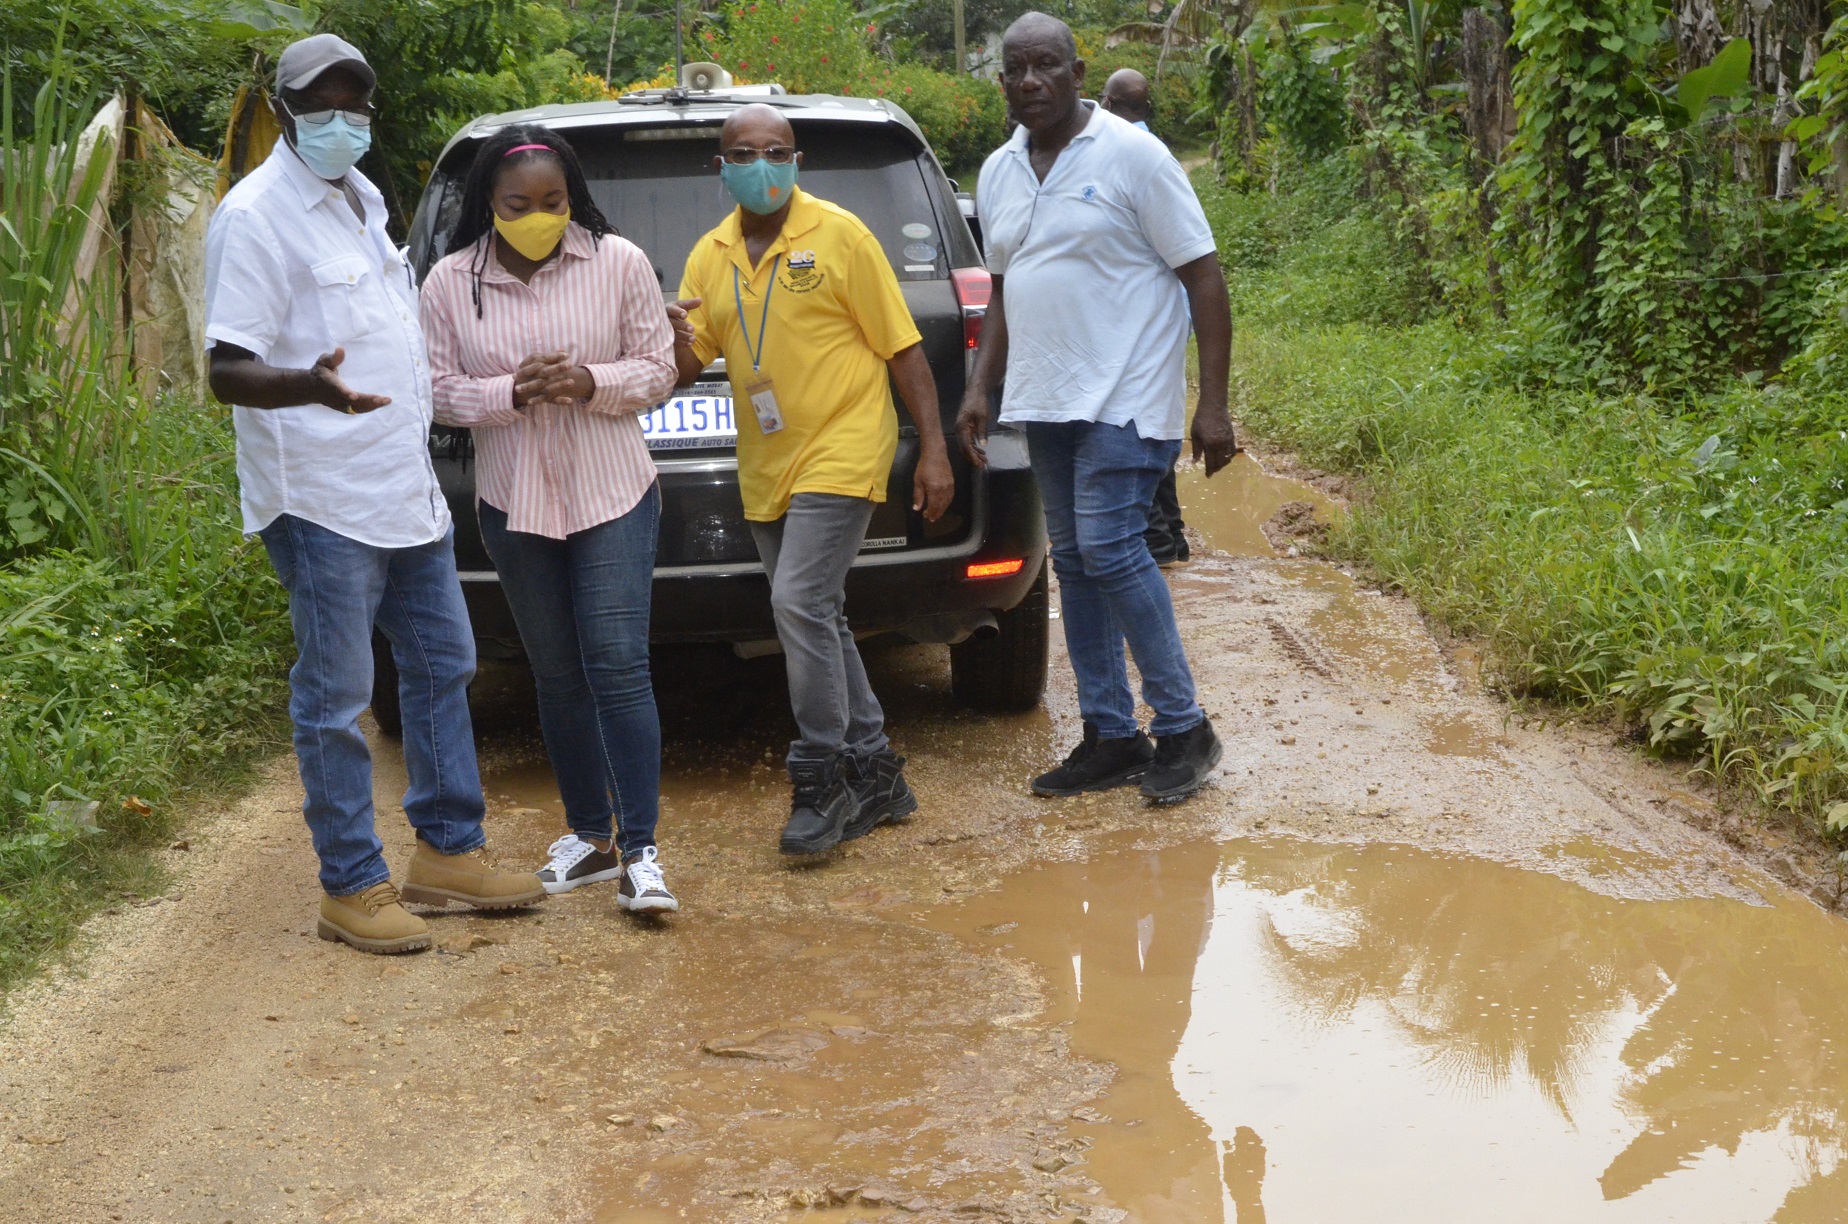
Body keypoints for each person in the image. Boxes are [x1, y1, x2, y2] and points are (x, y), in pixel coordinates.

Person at [204, 34, 545, 955]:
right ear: (282, 110)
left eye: (357, 104)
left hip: (402, 489)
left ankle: (447, 853)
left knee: (444, 663)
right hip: (319, 498)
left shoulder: (359, 199)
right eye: (323, 104)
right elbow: (226, 369)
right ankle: (350, 885)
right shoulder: (255, 216)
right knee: (337, 697)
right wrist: (309, 386)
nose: (344, 120)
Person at [957, 13, 1238, 804]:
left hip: (1128, 390)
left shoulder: (1133, 155)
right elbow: (1005, 289)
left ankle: (1185, 727)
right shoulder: (1001, 169)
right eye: (1016, 70)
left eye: (1047, 66)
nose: (1031, 82)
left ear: (1079, 72)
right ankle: (1111, 734)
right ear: (1003, 81)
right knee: (1074, 562)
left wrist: (1212, 405)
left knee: (1112, 548)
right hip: (1048, 398)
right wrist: (981, 387)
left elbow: (1204, 277)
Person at [671, 104, 955, 857]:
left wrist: (933, 450)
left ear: (797, 160)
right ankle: (880, 772)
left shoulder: (841, 235)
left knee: (796, 599)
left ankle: (822, 779)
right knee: (820, 613)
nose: (761, 164)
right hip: (767, 459)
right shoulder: (711, 255)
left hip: (845, 444)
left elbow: (905, 350)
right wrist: (663, 338)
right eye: (745, 152)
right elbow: (687, 366)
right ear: (720, 167)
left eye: (777, 151)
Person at [421, 125, 682, 913]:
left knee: (617, 665)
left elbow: (660, 368)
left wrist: (587, 380)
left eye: (554, 201)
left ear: (572, 197)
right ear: (488, 205)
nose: (540, 215)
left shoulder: (619, 262)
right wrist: (512, 392)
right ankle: (590, 839)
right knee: (558, 674)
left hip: (612, 493)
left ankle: (641, 851)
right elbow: (434, 388)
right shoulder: (447, 284)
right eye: (519, 204)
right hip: (515, 502)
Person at [1099, 67, 1189, 568]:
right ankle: (1172, 538)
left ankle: (1154, 540)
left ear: (1108, 102)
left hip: (1139, 325)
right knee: (1154, 429)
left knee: (1132, 435)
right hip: (1168, 319)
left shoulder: (1122, 155)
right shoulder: (1156, 151)